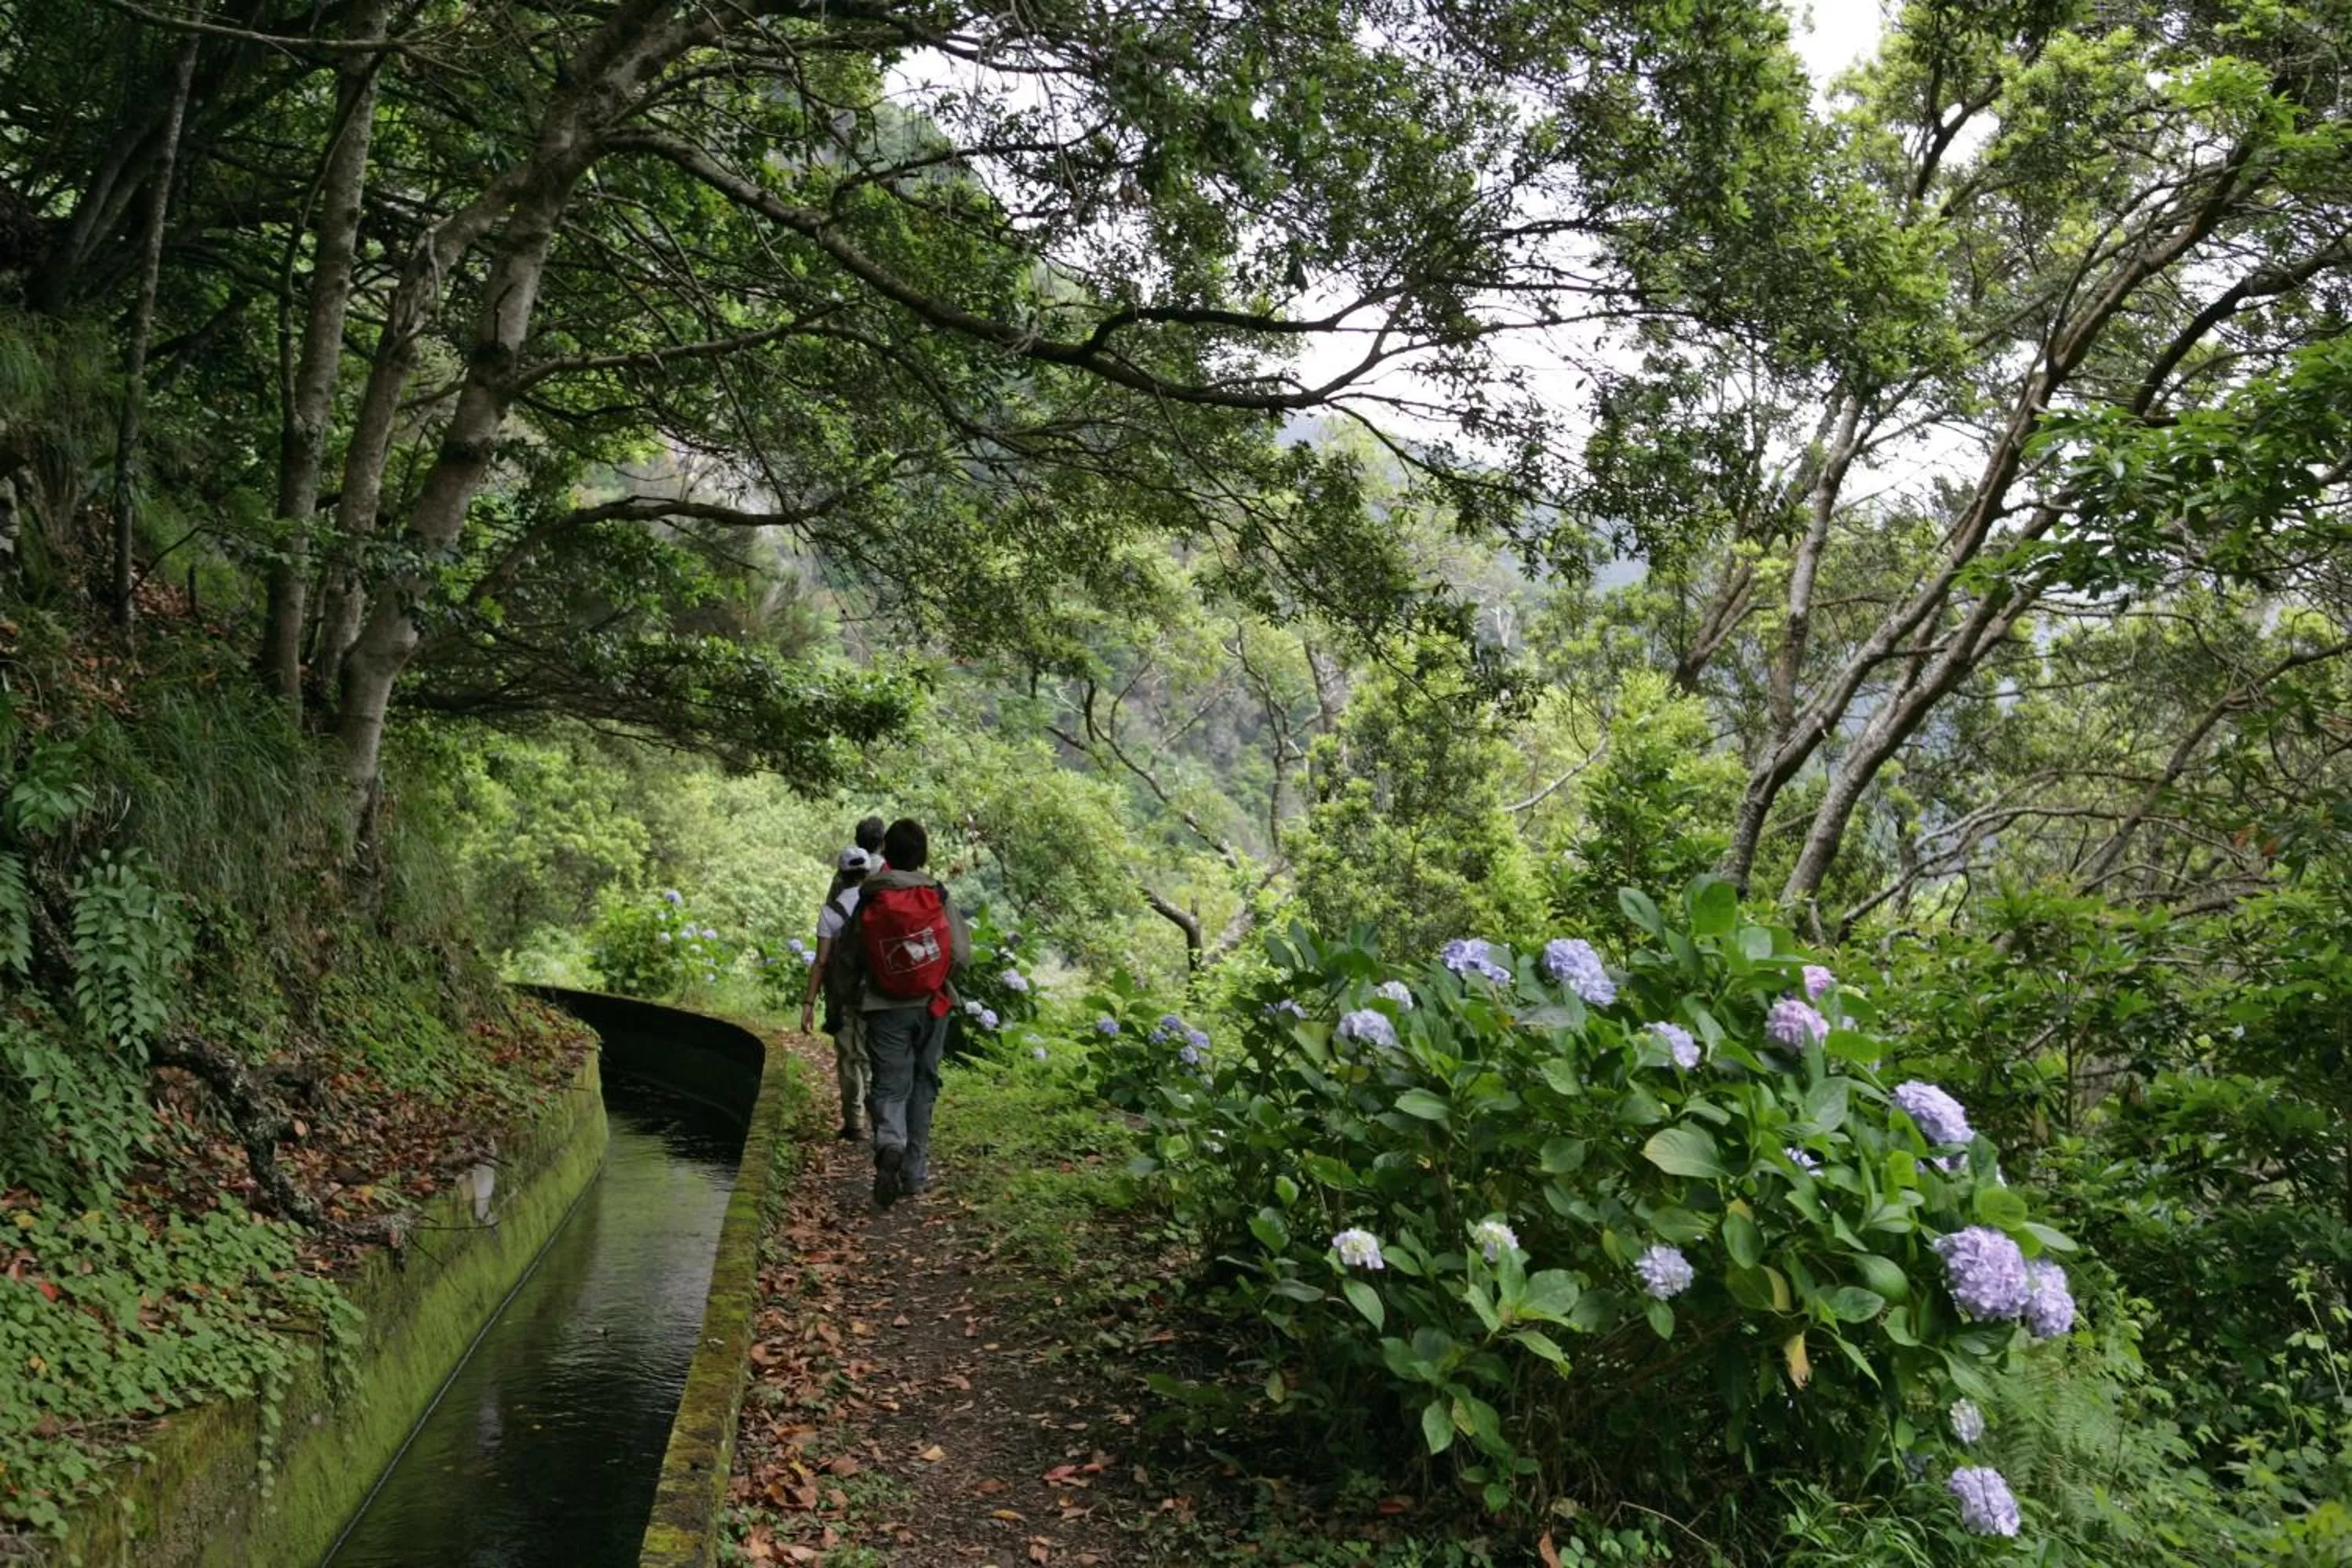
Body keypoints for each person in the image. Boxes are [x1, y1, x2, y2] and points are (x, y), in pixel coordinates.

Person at [833, 818, 968, 1207]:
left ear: (886, 853)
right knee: (924, 1085)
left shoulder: (871, 897)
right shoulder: (937, 894)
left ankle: (890, 1144)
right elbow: (960, 954)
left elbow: (849, 957)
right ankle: (914, 1175)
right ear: (923, 855)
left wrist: (844, 999)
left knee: (890, 1085)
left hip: (885, 1006)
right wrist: (938, 980)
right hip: (932, 1004)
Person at [800, 845, 873, 1141]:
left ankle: (854, 1122)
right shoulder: (877, 905)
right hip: (874, 993)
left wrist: (808, 1003)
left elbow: (821, 962)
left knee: (847, 1058)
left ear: (841, 874)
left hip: (841, 995)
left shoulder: (830, 912)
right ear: (867, 873)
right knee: (869, 1054)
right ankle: (878, 1114)